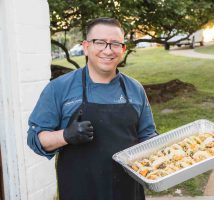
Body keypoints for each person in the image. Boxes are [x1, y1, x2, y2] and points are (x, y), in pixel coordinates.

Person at [27, 17, 158, 200]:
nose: (108, 50)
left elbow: (148, 136)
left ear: (123, 49)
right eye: (100, 43)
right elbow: (36, 140)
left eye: (114, 44)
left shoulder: (135, 89)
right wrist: (65, 135)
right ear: (86, 46)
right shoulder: (59, 88)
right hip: (79, 191)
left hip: (128, 191)